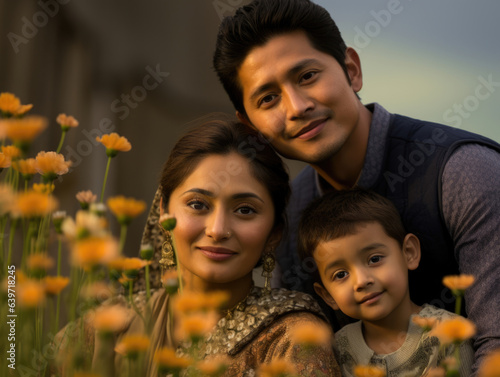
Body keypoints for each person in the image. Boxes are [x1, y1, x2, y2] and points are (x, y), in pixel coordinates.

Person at [211, 0, 500, 374]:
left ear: (352, 70)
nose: (297, 107)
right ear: (250, 126)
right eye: (268, 98)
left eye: (307, 76)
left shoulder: (463, 172)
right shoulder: (290, 215)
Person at [54, 117, 341, 377]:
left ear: (274, 233)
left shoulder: (292, 339)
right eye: (197, 205)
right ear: (164, 212)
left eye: (244, 210)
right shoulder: (104, 328)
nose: (217, 230)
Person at [297, 188, 474, 376]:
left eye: (374, 259)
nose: (362, 281)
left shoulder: (451, 335)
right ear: (327, 295)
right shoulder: (335, 350)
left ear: (409, 252)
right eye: (341, 274)